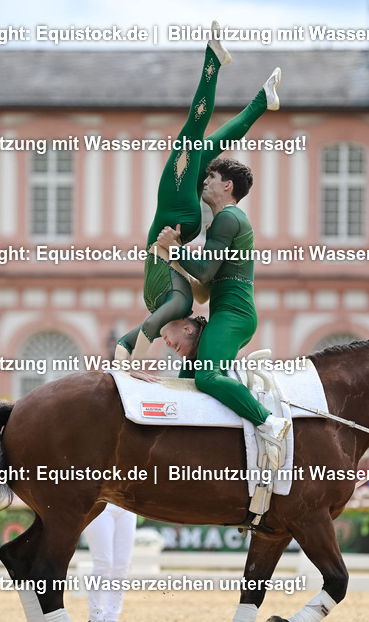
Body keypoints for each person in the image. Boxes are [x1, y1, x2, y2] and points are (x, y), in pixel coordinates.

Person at [116, 23, 281, 365]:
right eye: (177, 343)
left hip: (177, 212)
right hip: (181, 215)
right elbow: (200, 284)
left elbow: (140, 333)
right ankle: (255, 96)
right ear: (191, 330)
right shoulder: (177, 302)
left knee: (198, 131)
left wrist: (129, 368)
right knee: (207, 139)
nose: (169, 341)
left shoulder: (173, 303)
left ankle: (217, 63)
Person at [154, 156, 290, 446]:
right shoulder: (224, 221)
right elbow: (204, 289)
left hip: (234, 315)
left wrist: (175, 249)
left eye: (211, 177)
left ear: (227, 185)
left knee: (206, 377)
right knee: (187, 375)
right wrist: (174, 258)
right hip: (228, 314)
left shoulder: (228, 217)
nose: (204, 181)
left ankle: (269, 422)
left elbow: (204, 270)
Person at [83, 503, 137, 622]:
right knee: (103, 563)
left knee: (122, 565)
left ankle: (111, 618)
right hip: (100, 503)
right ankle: (95, 619)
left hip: (127, 505)